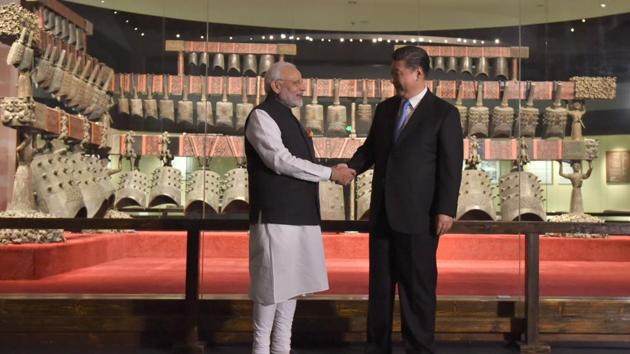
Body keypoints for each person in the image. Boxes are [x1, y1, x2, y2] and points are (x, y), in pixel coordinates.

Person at [345, 46, 463, 354]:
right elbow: (370, 150)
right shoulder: (385, 110)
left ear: (418, 73)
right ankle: (376, 347)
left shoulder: (444, 114)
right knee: (380, 289)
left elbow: (452, 166)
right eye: (392, 73)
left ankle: (419, 348)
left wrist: (445, 209)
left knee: (418, 291)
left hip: (420, 218)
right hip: (383, 215)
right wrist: (350, 168)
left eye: (397, 73)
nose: (393, 80)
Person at [244, 61, 355, 354]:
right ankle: (260, 350)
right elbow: (279, 160)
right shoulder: (261, 116)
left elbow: (295, 162)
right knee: (270, 289)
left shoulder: (289, 118)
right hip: (275, 216)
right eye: (296, 83)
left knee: (291, 287)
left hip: (299, 216)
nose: (302, 88)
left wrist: (331, 169)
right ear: (276, 86)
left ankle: (282, 348)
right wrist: (330, 173)